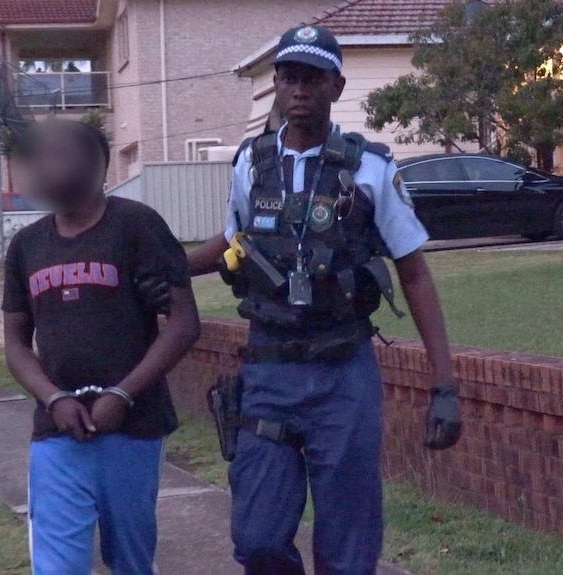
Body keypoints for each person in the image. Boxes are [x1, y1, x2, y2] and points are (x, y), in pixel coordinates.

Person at [188, 25, 462, 575]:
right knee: (258, 538)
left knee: (348, 548)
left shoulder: (372, 170)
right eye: (289, 77)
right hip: (268, 369)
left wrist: (445, 386)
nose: (299, 90)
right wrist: (162, 268)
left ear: (336, 87)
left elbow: (414, 274)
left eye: (313, 78)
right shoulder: (250, 163)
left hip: (343, 375)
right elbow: (231, 239)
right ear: (276, 87)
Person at [2, 119, 201, 575]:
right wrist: (52, 398)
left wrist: (123, 394)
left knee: (131, 561)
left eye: (59, 154)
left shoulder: (138, 225)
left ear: (97, 164)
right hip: (57, 434)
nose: (45, 167)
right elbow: (15, 343)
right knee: (58, 568)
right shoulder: (26, 246)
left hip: (132, 429)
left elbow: (184, 323)